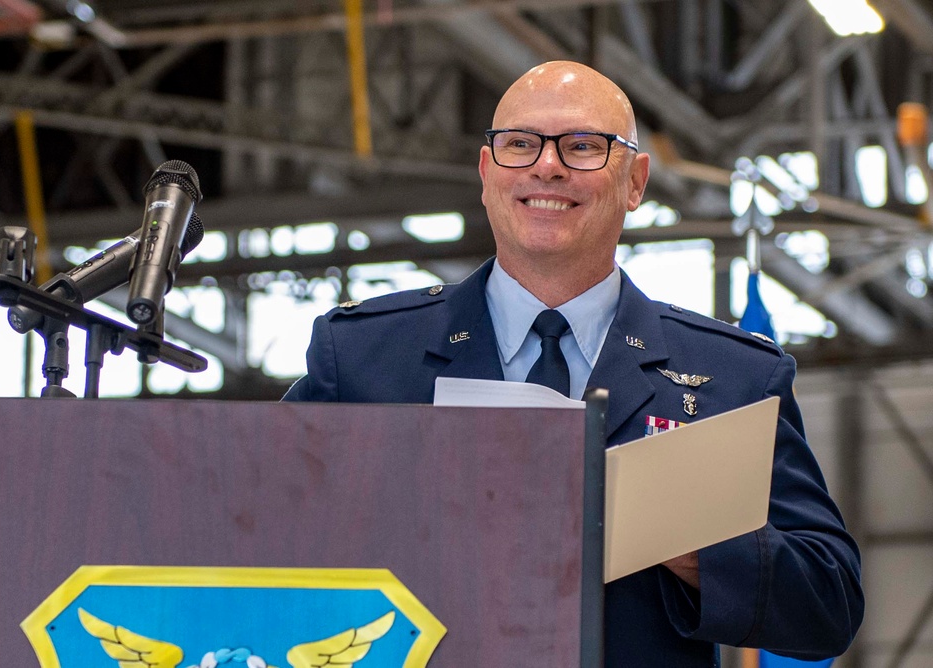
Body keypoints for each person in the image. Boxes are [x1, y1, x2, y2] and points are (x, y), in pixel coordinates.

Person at [284, 61, 863, 665]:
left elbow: (830, 602)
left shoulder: (734, 376)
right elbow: (252, 527)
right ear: (487, 173)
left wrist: (688, 540)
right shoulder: (363, 358)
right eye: (519, 144)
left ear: (635, 180)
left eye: (584, 146)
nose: (547, 165)